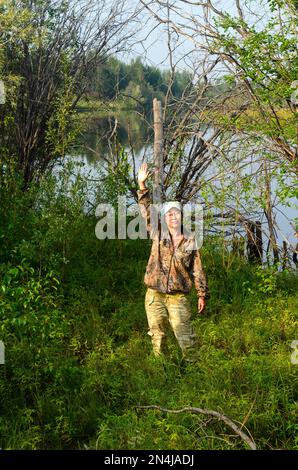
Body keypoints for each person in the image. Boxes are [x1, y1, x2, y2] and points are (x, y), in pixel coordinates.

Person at [137, 162, 209, 359]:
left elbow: (197, 269)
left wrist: (202, 294)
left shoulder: (190, 240)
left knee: (186, 337)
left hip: (178, 296)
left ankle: (194, 373)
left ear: (181, 216)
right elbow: (146, 211)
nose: (173, 216)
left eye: (176, 213)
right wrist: (142, 186)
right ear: (165, 218)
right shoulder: (158, 231)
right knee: (157, 336)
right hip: (154, 294)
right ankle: (161, 372)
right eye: (169, 214)